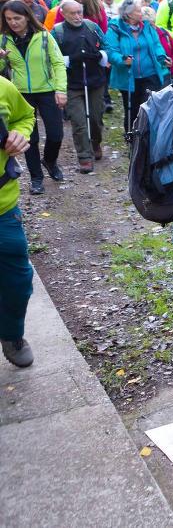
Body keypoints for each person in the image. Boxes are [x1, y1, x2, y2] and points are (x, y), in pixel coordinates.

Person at [0, 1, 66, 194]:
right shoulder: (3, 40)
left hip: (47, 90)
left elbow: (58, 64)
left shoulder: (44, 36)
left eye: (17, 18)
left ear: (27, 16)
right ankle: (36, 178)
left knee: (56, 134)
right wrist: (2, 59)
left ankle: (50, 161)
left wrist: (60, 90)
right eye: (9, 19)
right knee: (29, 138)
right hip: (21, 93)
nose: (13, 22)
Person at [0, 75, 37, 368]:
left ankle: (11, 334)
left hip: (3, 207)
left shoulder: (3, 86)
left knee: (18, 280)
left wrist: (19, 133)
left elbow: (26, 114)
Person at [52, 0, 108, 174]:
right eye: (72, 13)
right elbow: (52, 56)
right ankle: (84, 157)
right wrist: (69, 59)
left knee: (96, 117)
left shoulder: (92, 27)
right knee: (78, 122)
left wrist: (100, 55)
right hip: (72, 83)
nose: (77, 17)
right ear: (64, 14)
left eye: (79, 12)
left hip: (95, 80)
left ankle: (95, 142)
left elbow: (106, 46)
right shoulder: (57, 32)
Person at [104, 0, 171, 133]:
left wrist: (162, 58)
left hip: (150, 74)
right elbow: (111, 50)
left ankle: (148, 138)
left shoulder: (146, 26)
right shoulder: (115, 28)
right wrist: (122, 60)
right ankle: (132, 138)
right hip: (128, 76)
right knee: (132, 109)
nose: (142, 13)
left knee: (148, 107)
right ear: (128, 14)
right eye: (138, 11)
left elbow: (156, 45)